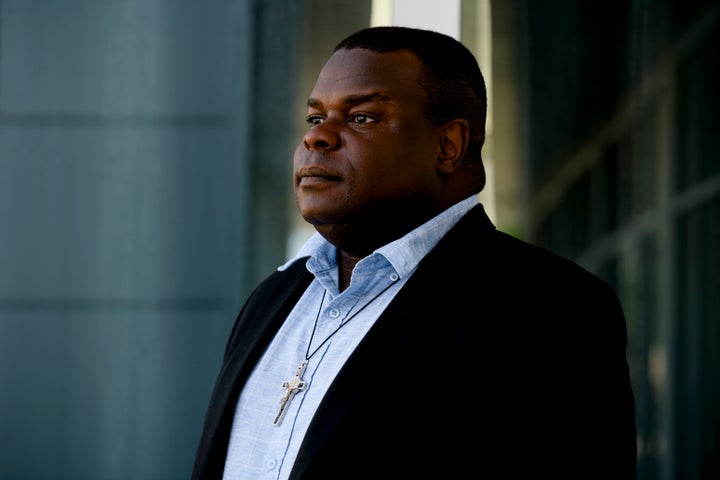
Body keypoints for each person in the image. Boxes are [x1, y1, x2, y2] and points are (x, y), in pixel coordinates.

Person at [192, 25, 637, 479]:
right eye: (314, 118)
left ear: (447, 146)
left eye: (361, 117)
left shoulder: (552, 308)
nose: (317, 138)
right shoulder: (272, 297)